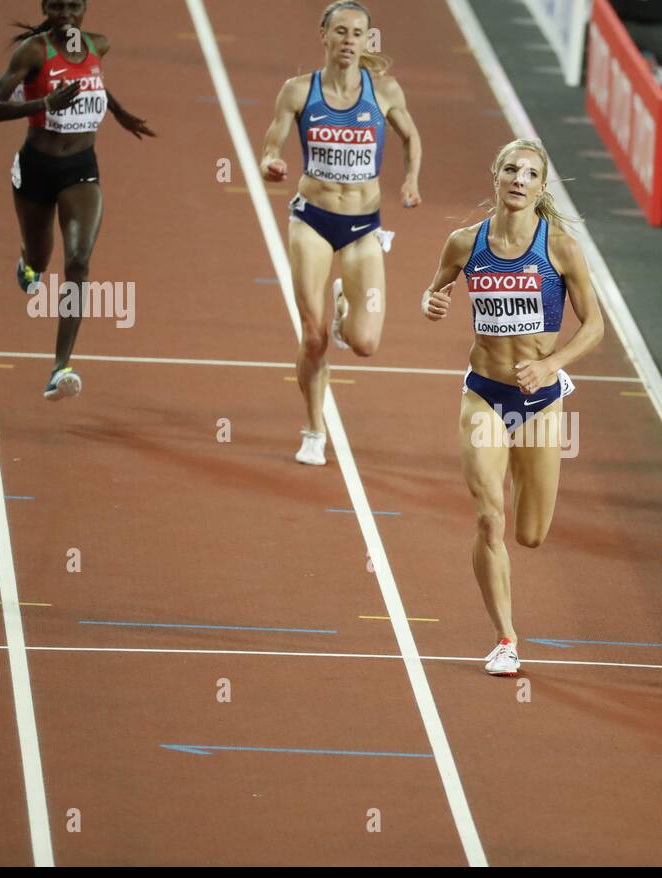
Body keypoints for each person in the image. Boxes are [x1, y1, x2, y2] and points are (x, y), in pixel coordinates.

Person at [422, 140, 605, 677]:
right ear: (496, 177)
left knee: (531, 533)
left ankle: (528, 505)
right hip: (483, 393)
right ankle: (505, 638)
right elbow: (435, 294)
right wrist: (431, 302)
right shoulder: (463, 243)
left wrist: (552, 365)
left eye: (530, 173)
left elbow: (594, 326)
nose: (519, 179)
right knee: (488, 518)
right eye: (510, 169)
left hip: (541, 402)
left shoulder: (561, 248)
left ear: (541, 187)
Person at [259, 0, 422, 466]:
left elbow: (412, 136)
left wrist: (410, 179)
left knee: (366, 343)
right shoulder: (298, 91)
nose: (350, 41)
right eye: (342, 32)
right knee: (313, 339)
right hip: (312, 220)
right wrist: (270, 162)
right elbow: (272, 140)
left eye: (359, 34)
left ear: (368, 41)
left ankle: (345, 304)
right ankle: (314, 429)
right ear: (325, 36)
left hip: (363, 226)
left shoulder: (384, 90)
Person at [0, 0, 155, 401]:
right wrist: (43, 104)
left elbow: (90, 81)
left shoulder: (98, 44)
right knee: (41, 260)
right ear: (46, 7)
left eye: (73, 6)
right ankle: (28, 264)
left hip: (81, 169)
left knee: (78, 262)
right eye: (57, 6)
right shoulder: (31, 52)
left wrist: (118, 112)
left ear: (85, 9)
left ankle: (60, 367)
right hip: (37, 170)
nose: (66, 13)